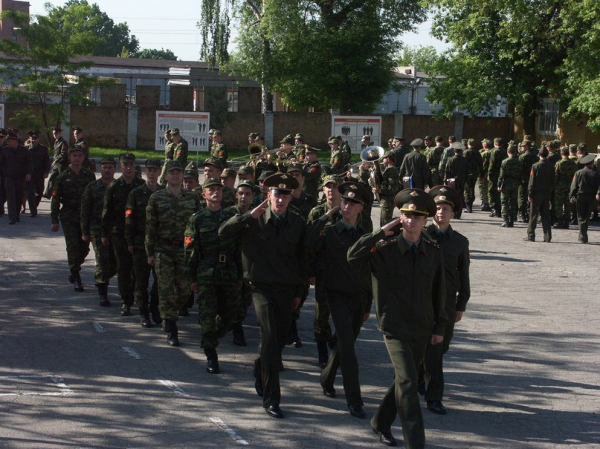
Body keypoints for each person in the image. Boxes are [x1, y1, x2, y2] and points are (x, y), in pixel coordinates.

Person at [348, 188, 446, 449]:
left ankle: (380, 422)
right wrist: (380, 232)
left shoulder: (433, 250)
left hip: (423, 326)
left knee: (405, 379)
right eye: (406, 214)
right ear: (399, 218)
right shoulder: (385, 248)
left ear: (426, 220)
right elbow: (353, 256)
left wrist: (439, 326)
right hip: (394, 326)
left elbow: (440, 292)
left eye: (417, 216)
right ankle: (415, 442)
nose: (411, 220)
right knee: (409, 383)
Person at [219, 173, 307, 419]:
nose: (280, 200)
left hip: (287, 288)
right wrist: (248, 215)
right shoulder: (253, 219)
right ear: (268, 196)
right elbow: (223, 232)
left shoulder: (297, 222)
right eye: (276, 195)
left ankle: (260, 368)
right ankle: (272, 399)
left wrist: (300, 292)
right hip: (260, 287)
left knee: (278, 342)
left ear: (291, 197)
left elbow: (302, 259)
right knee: (269, 337)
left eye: (285, 195)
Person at [307, 181, 372, 420]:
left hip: (359, 297)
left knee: (346, 342)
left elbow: (370, 272)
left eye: (353, 203)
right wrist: (327, 215)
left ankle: (326, 378)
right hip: (335, 295)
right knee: (348, 346)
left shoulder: (365, 236)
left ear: (361, 208)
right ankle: (354, 400)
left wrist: (368, 304)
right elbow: (308, 241)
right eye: (344, 201)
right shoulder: (330, 231)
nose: (346, 206)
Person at [420, 185, 470, 416]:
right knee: (433, 348)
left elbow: (464, 275)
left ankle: (422, 372)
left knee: (442, 345)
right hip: (423, 300)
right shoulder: (421, 235)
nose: (441, 212)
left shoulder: (460, 242)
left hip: (447, 303)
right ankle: (434, 396)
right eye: (438, 208)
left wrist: (461, 304)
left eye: (446, 208)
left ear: (453, 213)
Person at [185, 178, 240, 373]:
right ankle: (211, 354)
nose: (215, 192)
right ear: (204, 194)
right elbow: (190, 251)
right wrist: (191, 278)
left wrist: (240, 275)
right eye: (211, 189)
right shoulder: (197, 219)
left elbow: (239, 248)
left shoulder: (231, 216)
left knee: (229, 314)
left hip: (229, 272)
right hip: (206, 272)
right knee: (207, 314)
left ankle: (212, 337)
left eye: (218, 189)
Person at [146, 161, 201, 346]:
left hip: (184, 250)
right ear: (166, 175)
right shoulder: (157, 198)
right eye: (172, 172)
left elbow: (197, 227)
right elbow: (150, 227)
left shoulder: (192, 199)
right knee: (166, 287)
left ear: (183, 175)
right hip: (163, 249)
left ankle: (167, 311)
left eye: (179, 172)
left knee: (185, 288)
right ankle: (171, 326)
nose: (176, 175)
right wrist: (150, 252)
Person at [101, 153, 145, 316]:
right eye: (125, 165)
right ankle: (126, 301)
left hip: (137, 233)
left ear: (134, 167)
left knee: (137, 268)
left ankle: (136, 296)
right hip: (118, 233)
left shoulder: (141, 185)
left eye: (131, 165)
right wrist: (104, 234)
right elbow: (107, 212)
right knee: (123, 267)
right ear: (120, 166)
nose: (128, 168)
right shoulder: (114, 186)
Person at [307, 175, 342, 368]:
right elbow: (310, 242)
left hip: (343, 271)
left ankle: (336, 341)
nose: (331, 190)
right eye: (328, 187)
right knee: (322, 311)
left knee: (342, 311)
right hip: (322, 269)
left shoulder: (349, 211)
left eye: (335, 187)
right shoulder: (317, 212)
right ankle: (322, 350)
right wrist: (310, 271)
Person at [50, 145, 95, 291]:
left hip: (85, 216)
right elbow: (55, 199)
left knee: (84, 247)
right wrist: (54, 220)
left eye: (79, 156)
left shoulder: (89, 175)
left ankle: (74, 267)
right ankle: (76, 276)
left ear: (83, 158)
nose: (76, 158)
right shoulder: (63, 176)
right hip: (69, 215)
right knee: (72, 246)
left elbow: (94, 198)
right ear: (70, 158)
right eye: (74, 156)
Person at [125, 159, 164, 326]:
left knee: (160, 280)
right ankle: (143, 313)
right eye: (149, 170)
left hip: (160, 244)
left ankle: (154, 307)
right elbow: (129, 219)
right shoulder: (136, 193)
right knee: (141, 280)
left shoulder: (164, 192)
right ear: (145, 172)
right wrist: (130, 241)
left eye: (155, 170)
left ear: (160, 171)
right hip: (140, 242)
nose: (152, 173)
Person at [286, 164, 317, 348]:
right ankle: (291, 329)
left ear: (303, 179)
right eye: (292, 175)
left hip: (305, 254)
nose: (295, 178)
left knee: (302, 292)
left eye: (298, 175)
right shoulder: (283, 199)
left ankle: (292, 322)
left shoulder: (311, 201)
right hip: (288, 254)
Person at [81, 156, 117, 306]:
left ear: (115, 169)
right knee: (102, 260)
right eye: (104, 167)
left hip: (115, 230)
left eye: (110, 167)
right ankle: (103, 292)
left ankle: (103, 280)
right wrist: (84, 231)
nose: (107, 170)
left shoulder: (118, 186)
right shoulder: (92, 187)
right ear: (100, 169)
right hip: (97, 228)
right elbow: (85, 210)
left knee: (115, 262)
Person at [225, 180, 256, 346]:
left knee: (245, 298)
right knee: (232, 297)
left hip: (248, 264)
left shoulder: (256, 215)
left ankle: (236, 321)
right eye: (241, 193)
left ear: (252, 197)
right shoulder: (228, 213)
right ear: (236, 195)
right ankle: (236, 327)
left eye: (247, 194)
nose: (243, 197)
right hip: (230, 262)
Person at [0, 131, 32, 225]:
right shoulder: (5, 150)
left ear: (14, 140)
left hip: (20, 177)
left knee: (18, 197)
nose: (7, 142)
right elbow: (1, 163)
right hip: (8, 177)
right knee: (11, 197)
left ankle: (16, 215)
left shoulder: (24, 150)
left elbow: (29, 163)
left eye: (9, 141)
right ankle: (12, 218)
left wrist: (29, 173)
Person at [569, 154, 600, 243]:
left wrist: (571, 196)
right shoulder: (596, 174)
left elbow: (573, 186)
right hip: (591, 197)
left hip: (581, 197)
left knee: (581, 217)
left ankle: (583, 236)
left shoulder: (578, 173)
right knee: (586, 216)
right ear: (591, 164)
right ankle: (583, 235)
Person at [525, 148, 554, 243]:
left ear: (539, 154)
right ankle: (547, 236)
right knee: (545, 215)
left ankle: (531, 235)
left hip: (537, 193)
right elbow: (553, 180)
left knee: (533, 215)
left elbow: (531, 181)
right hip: (547, 193)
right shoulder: (551, 166)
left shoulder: (535, 166)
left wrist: (530, 193)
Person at [26, 131, 50, 218]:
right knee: (30, 192)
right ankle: (33, 211)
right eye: (32, 138)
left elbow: (47, 161)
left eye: (35, 138)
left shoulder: (43, 149)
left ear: (38, 139)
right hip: (30, 174)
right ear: (29, 139)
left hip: (40, 173)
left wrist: (46, 172)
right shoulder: (27, 149)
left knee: (40, 191)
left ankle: (34, 205)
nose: (33, 140)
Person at [497, 142, 522, 227]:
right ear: (515, 151)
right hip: (515, 184)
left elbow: (501, 175)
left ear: (508, 152)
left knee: (504, 202)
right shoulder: (519, 161)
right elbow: (520, 173)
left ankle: (506, 220)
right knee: (513, 202)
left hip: (506, 183)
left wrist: (499, 184)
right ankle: (512, 219)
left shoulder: (505, 162)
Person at [553, 147, 578, 229]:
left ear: (561, 153)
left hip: (560, 186)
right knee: (568, 204)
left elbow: (555, 176)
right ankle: (567, 222)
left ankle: (560, 221)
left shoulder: (559, 163)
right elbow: (575, 175)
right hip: (570, 186)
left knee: (559, 204)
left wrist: (554, 185)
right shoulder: (573, 163)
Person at [43, 127, 69, 199]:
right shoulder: (56, 142)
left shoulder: (63, 142)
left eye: (56, 133)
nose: (54, 135)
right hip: (56, 164)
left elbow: (63, 154)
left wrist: (56, 160)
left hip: (62, 164)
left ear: (60, 133)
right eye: (53, 133)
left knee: (62, 180)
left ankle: (65, 195)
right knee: (52, 178)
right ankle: (47, 194)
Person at [443, 143, 467, 219]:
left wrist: (445, 180)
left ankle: (452, 212)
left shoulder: (450, 159)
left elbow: (447, 171)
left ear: (454, 151)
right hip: (461, 180)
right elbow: (466, 170)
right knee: (460, 196)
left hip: (451, 181)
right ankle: (458, 213)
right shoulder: (464, 160)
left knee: (452, 197)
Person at [376, 150, 400, 226]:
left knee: (385, 224)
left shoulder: (392, 170)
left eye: (384, 158)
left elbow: (392, 188)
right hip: (385, 200)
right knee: (383, 222)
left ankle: (387, 238)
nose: (383, 160)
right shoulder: (388, 169)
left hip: (388, 201)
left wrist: (379, 190)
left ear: (388, 159)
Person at [518, 140, 538, 222]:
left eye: (523, 146)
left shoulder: (522, 157)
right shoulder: (536, 157)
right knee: (531, 196)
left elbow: (519, 169)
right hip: (532, 180)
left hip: (523, 179)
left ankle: (522, 214)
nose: (522, 147)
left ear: (527, 147)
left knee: (522, 197)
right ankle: (530, 213)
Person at [488, 137, 507, 218]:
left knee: (491, 191)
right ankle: (499, 209)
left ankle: (494, 209)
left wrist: (489, 173)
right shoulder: (504, 151)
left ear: (495, 143)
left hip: (494, 174)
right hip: (501, 174)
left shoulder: (494, 152)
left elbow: (492, 164)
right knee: (499, 191)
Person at [463, 138, 482, 213]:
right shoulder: (477, 152)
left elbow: (463, 163)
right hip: (474, 173)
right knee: (472, 188)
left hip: (467, 173)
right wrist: (481, 173)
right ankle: (470, 203)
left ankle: (468, 206)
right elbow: (480, 163)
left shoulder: (465, 152)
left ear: (468, 144)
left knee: (467, 190)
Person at [479, 139, 493, 211]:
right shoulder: (493, 152)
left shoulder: (483, 154)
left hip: (484, 173)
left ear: (484, 146)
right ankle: (490, 202)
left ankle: (485, 203)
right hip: (492, 173)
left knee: (483, 188)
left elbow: (482, 165)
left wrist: (482, 174)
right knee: (490, 188)